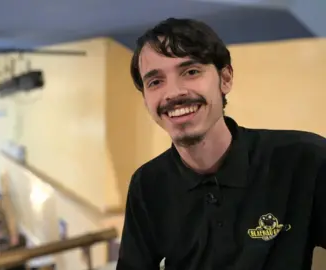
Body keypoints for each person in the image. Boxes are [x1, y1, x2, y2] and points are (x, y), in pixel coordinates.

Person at [116, 18, 326, 270]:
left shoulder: (304, 160)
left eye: (190, 72)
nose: (173, 93)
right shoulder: (147, 184)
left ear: (225, 79)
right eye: (155, 82)